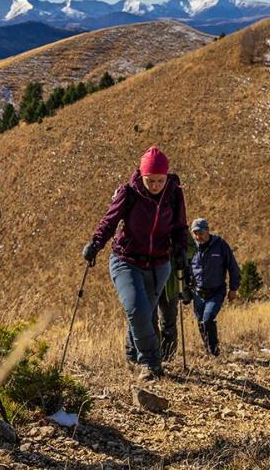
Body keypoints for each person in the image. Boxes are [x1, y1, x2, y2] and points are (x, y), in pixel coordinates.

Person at [83, 146, 189, 380]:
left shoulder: (173, 193)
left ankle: (132, 354)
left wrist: (181, 249)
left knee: (145, 312)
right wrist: (95, 243)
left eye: (160, 180)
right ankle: (151, 363)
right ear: (142, 175)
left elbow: (180, 226)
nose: (155, 186)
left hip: (160, 263)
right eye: (150, 180)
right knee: (137, 309)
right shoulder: (129, 192)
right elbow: (110, 221)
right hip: (126, 259)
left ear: (167, 176)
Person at [188, 218, 241, 356]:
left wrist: (233, 288)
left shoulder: (220, 245)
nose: (198, 236)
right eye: (195, 233)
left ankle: (214, 351)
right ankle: (208, 350)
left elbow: (233, 267)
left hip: (216, 291)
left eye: (201, 233)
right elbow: (185, 270)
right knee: (201, 322)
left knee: (208, 318)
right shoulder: (191, 248)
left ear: (208, 231)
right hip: (198, 292)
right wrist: (185, 290)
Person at [154, 233, 196, 361]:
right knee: (150, 321)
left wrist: (181, 251)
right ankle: (153, 357)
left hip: (172, 283)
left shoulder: (177, 226)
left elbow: (193, 248)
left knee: (168, 322)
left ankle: (168, 357)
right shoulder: (148, 222)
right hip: (151, 280)